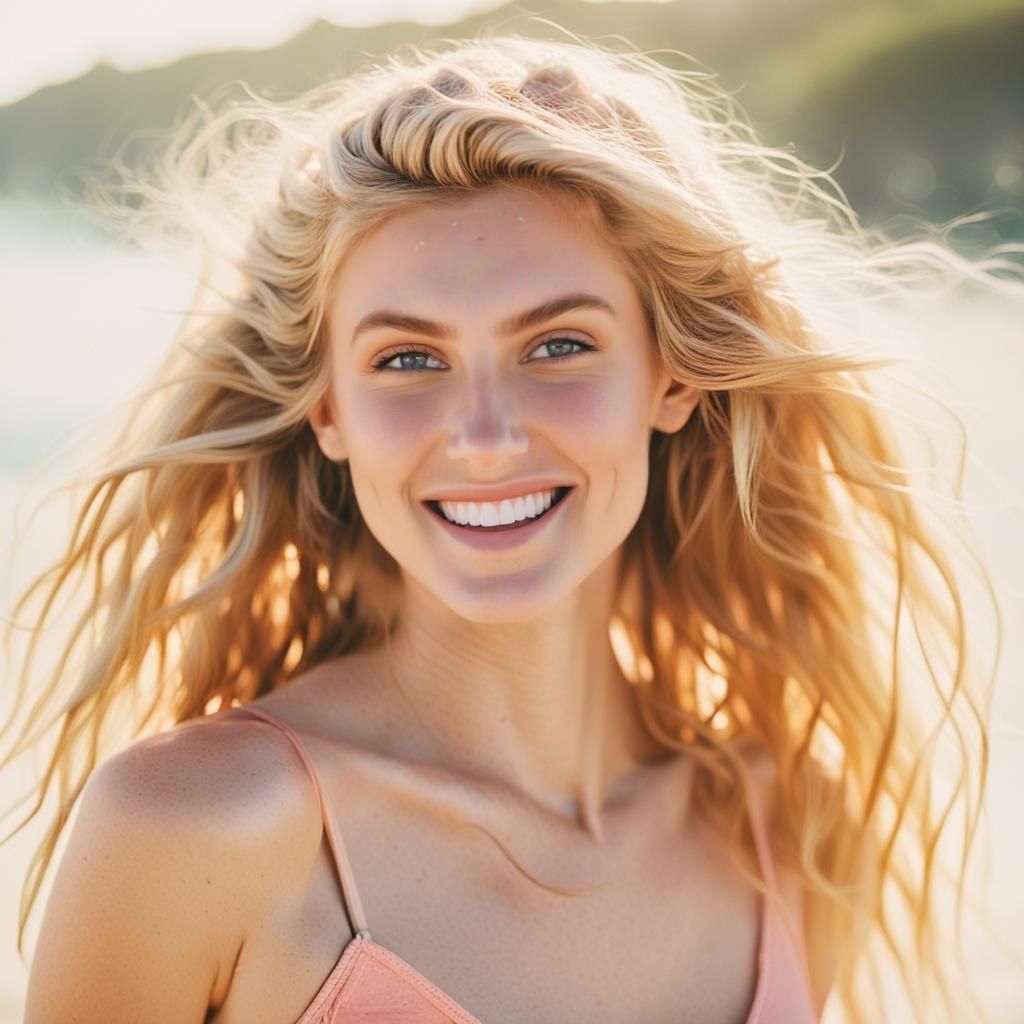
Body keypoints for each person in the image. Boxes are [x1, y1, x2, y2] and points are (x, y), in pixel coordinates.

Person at [4, 26, 1014, 1024]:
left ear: (668, 373)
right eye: (407, 359)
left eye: (558, 344)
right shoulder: (196, 832)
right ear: (327, 410)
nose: (483, 437)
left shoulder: (790, 830)